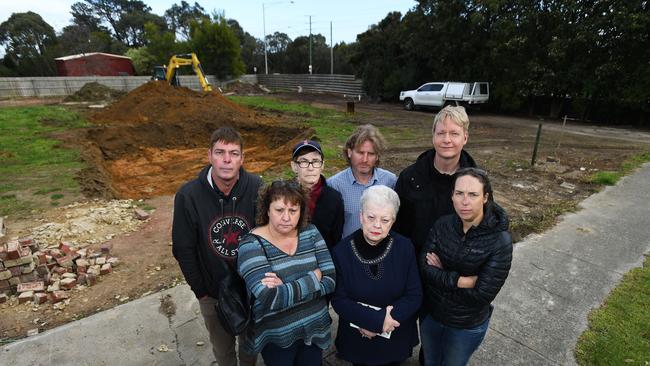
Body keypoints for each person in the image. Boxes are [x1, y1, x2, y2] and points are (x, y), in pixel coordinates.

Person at [172, 126, 262, 366]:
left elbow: (268, 235)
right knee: (223, 350)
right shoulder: (188, 195)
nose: (226, 160)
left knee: (250, 345)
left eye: (233, 153)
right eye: (220, 152)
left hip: (251, 289)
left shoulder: (257, 187)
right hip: (212, 292)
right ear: (209, 155)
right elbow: (183, 248)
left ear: (242, 158)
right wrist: (201, 290)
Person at [419, 168, 513, 366]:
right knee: (430, 362)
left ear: (485, 197)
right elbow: (425, 268)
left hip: (465, 325)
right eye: (459, 193)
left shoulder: (499, 241)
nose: (465, 201)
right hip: (432, 316)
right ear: (452, 195)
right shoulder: (443, 224)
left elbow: (481, 295)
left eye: (473, 194)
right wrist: (461, 281)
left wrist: (440, 274)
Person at [237, 180, 336, 366]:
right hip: (277, 335)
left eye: (293, 211)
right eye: (279, 210)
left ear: (301, 212)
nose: (286, 218)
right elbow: (271, 299)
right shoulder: (250, 245)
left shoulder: (311, 233)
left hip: (314, 327)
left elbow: (331, 280)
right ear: (267, 210)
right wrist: (313, 278)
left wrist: (285, 286)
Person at [332, 185, 422, 366]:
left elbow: (414, 295)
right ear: (361, 216)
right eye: (371, 217)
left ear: (393, 221)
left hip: (395, 333)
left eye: (385, 219)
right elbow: (339, 299)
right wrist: (373, 321)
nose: (377, 225)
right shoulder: (341, 251)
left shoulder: (405, 247)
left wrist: (382, 323)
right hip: (358, 335)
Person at [394, 105, 477, 257]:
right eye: (441, 133)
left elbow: (483, 233)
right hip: (413, 266)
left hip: (455, 269)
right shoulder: (409, 177)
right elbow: (396, 229)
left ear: (465, 137)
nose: (447, 140)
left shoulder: (477, 184)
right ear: (433, 136)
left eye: (454, 133)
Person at [328, 124, 397, 238]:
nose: (365, 159)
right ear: (349, 152)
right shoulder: (334, 185)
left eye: (370, 154)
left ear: (377, 156)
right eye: (360, 153)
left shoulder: (390, 181)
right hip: (347, 252)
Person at [290, 139, 344, 250]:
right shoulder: (282, 195)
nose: (310, 168)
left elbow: (335, 239)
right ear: (294, 166)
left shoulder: (334, 199)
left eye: (315, 161)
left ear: (322, 165)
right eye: (304, 162)